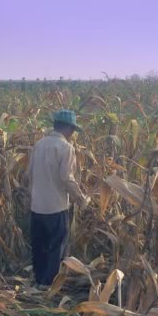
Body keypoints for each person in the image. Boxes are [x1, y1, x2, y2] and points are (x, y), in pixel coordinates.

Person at [27, 109, 91, 288]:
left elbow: (29, 173)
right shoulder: (66, 148)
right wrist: (81, 198)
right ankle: (49, 285)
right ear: (69, 129)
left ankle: (39, 280)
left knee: (39, 246)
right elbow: (66, 178)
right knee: (56, 247)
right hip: (56, 208)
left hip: (37, 206)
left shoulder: (39, 144)